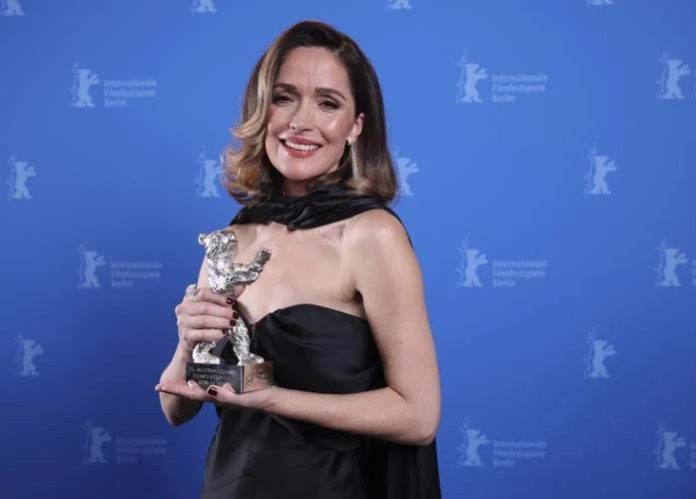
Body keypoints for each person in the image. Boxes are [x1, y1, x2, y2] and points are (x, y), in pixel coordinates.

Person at [155, 20, 442, 498]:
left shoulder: (371, 236)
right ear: (260, 109)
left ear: (355, 127)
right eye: (284, 97)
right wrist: (188, 347)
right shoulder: (233, 238)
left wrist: (272, 399)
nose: (300, 122)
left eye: (327, 103)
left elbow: (419, 416)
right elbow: (175, 409)